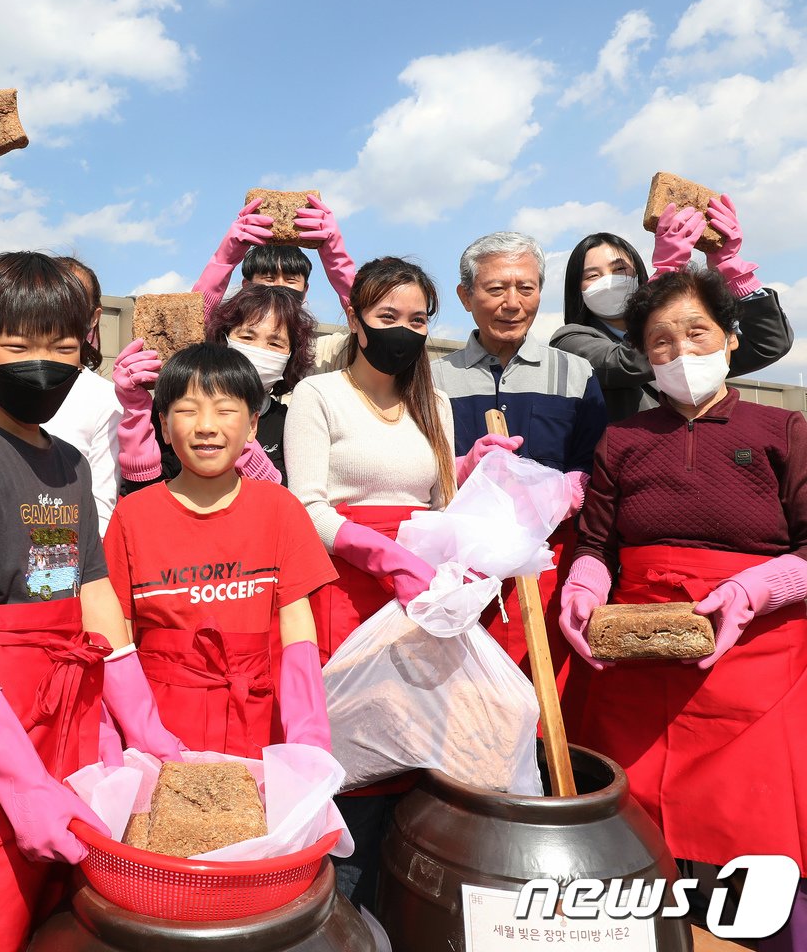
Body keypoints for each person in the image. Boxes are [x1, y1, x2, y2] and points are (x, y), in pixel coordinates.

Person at [0, 252, 184, 952]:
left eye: (62, 347)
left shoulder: (70, 462)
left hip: (66, 718)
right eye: (17, 346)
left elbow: (92, 590)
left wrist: (143, 725)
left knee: (57, 919)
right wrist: (17, 779)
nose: (41, 364)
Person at [557, 267, 806, 952]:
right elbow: (598, 544)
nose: (681, 352)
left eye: (697, 333)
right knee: (633, 838)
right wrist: (583, 588)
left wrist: (755, 590)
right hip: (636, 659)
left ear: (731, 338)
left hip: (758, 660)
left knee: (753, 842)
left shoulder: (783, 428)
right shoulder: (623, 439)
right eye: (661, 341)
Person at [284, 256, 513, 911]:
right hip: (345, 589)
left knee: (415, 747)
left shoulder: (432, 402)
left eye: (417, 321)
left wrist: (471, 472)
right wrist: (378, 553)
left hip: (417, 601)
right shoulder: (318, 395)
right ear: (355, 319)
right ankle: (336, 912)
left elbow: (440, 504)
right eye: (388, 317)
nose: (404, 332)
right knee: (354, 754)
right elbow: (305, 506)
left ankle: (400, 912)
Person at [104, 342, 337, 759]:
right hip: (159, 731)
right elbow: (114, 631)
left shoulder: (279, 508)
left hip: (256, 725)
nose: (207, 426)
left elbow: (297, 628)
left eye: (225, 410)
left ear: (252, 425)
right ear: (163, 425)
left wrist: (308, 739)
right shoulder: (132, 516)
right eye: (188, 411)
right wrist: (143, 732)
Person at [431, 231, 606, 683]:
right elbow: (419, 468)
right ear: (465, 296)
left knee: (546, 690)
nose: (512, 303)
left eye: (526, 288)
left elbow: (594, 461)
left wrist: (567, 492)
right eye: (496, 289)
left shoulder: (575, 372)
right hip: (460, 567)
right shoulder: (433, 379)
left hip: (549, 561)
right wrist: (461, 468)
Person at [0, 136, 124, 534]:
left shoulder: (107, 398)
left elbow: (102, 500)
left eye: (69, 304)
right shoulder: (1, 368)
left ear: (91, 318)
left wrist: (73, 560)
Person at [550, 199, 792, 422]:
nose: (609, 281)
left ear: (639, 273)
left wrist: (733, 270)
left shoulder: (690, 337)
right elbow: (627, 362)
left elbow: (768, 343)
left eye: (620, 269)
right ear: (576, 289)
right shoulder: (571, 341)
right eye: (593, 275)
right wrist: (667, 274)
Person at [115, 283, 317, 489]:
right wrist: (136, 412)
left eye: (275, 343)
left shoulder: (290, 423)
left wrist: (243, 448)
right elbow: (143, 493)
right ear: (223, 339)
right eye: (247, 337)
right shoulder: (178, 406)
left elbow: (286, 498)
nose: (259, 349)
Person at [193, 194, 356, 374]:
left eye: (290, 280)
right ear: (247, 286)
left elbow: (369, 327)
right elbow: (191, 325)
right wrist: (223, 260)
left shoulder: (321, 353)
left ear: (305, 291)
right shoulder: (222, 342)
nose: (279, 287)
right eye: (269, 279)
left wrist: (338, 261)